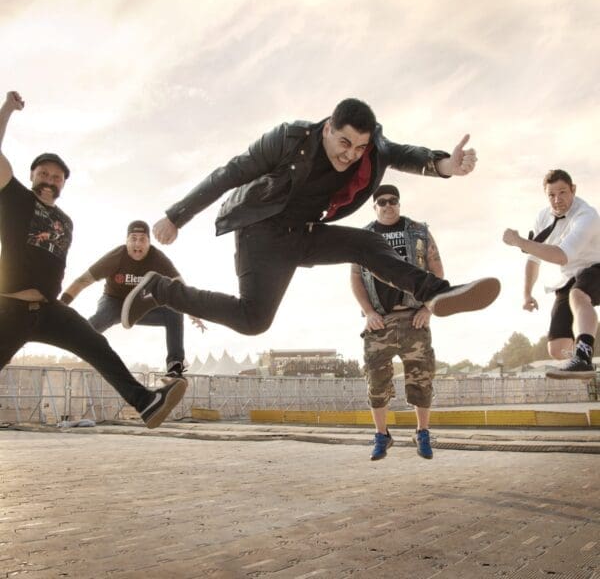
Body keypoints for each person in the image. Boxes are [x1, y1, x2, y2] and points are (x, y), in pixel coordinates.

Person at [121, 98, 500, 342]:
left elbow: (406, 155)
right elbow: (230, 173)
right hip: (261, 230)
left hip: (304, 233)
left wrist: (446, 165)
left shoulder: (374, 150)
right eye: (344, 143)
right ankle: (161, 289)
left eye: (359, 148)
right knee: (253, 321)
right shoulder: (288, 139)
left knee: (366, 243)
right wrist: (176, 216)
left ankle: (435, 292)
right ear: (328, 128)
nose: (350, 155)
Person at [0, 90, 186, 428]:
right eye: (43, 174)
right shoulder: (15, 199)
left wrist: (65, 301)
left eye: (56, 177)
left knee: (96, 343)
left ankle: (146, 402)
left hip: (49, 311)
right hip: (9, 308)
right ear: (32, 176)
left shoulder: (66, 222)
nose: (50, 180)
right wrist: (7, 109)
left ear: (63, 184)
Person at [351, 185, 443, 460]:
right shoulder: (363, 237)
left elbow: (436, 270)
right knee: (376, 383)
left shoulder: (419, 231)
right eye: (382, 202)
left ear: (399, 204)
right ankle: (382, 435)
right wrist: (368, 312)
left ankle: (422, 432)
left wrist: (428, 308)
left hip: (414, 319)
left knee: (422, 379)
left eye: (393, 201)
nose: (388, 205)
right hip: (380, 322)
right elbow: (355, 277)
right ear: (375, 207)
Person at [60, 220, 205, 378]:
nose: (138, 244)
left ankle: (175, 365)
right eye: (133, 239)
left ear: (149, 243)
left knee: (175, 311)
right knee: (101, 319)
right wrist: (60, 305)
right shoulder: (116, 257)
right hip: (115, 302)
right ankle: (75, 337)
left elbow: (178, 284)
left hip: (142, 305)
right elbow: (82, 281)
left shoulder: (157, 258)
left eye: (142, 239)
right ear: (126, 241)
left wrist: (192, 310)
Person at [503, 169, 600, 379]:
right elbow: (534, 258)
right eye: (552, 195)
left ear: (573, 189)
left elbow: (561, 256)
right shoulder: (543, 217)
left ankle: (583, 356)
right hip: (569, 278)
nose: (557, 200)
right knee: (557, 348)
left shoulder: (586, 215)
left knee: (578, 294)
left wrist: (519, 242)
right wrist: (527, 294)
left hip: (596, 267)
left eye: (563, 192)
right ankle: (584, 366)